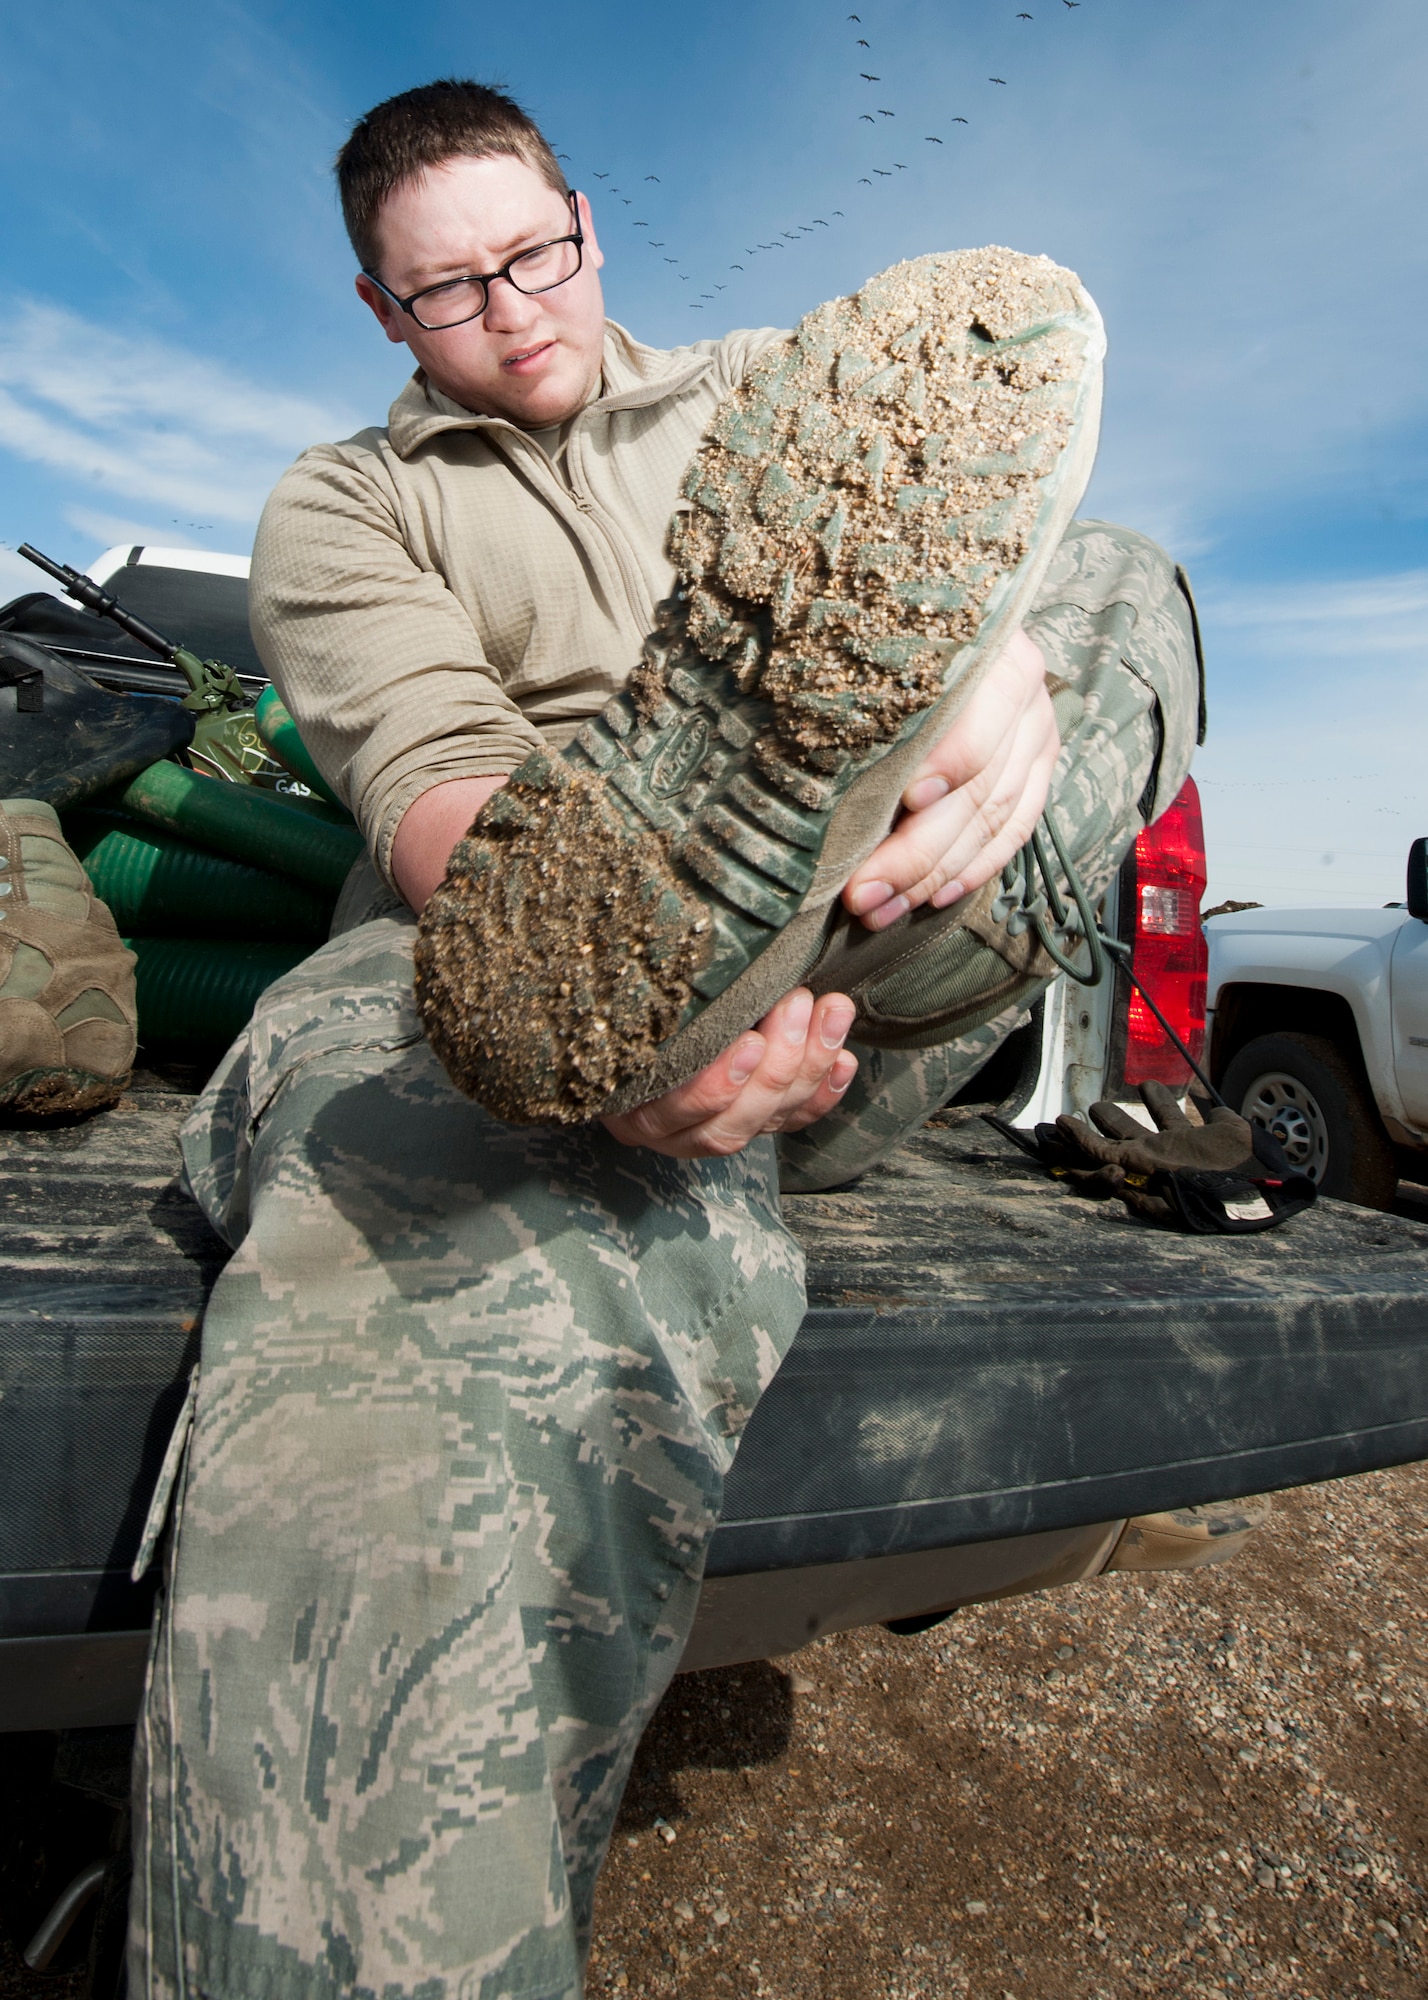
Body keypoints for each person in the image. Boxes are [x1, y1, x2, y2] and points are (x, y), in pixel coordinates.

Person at [129, 79, 1200, 2000]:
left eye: (534, 255)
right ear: (384, 314)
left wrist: (1018, 671)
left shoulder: (786, 385)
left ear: (588, 223)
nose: (516, 310)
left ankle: (909, 840)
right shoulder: (347, 504)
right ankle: (656, 937)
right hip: (484, 950)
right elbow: (441, 793)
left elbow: (1024, 545)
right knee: (425, 1196)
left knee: (1129, 583)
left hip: (867, 970)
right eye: (451, 292)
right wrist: (604, 1016)